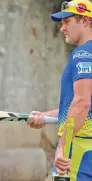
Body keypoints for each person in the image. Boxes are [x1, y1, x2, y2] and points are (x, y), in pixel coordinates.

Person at [27, 0, 92, 180]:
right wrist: (44, 115)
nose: (62, 28)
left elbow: (82, 103)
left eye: (67, 21)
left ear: (85, 20)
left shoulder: (83, 54)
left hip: (79, 149)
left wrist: (63, 145)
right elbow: (79, 106)